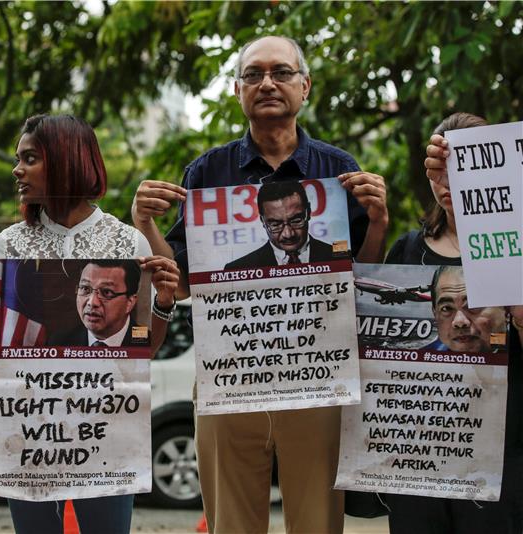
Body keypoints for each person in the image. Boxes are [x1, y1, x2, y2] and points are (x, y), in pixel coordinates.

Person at [131, 36, 389, 534]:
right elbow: (182, 286)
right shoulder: (207, 171)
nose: (267, 82)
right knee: (231, 523)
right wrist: (144, 226)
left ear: (305, 86)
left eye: (281, 72)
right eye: (253, 74)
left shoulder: (340, 171)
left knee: (317, 523)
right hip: (229, 383)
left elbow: (361, 281)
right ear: (237, 90)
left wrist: (377, 223)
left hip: (316, 382)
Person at [0, 114, 180, 534]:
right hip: (29, 432)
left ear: (67, 159)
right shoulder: (7, 245)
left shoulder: (129, 242)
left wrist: (163, 302)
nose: (17, 169)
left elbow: (140, 354)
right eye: (18, 159)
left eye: (30, 158)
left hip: (106, 430)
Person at [383, 111, 523, 533]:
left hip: (501, 456)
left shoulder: (516, 247)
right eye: (438, 174)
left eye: (460, 173)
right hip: (422, 459)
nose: (447, 187)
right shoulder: (408, 250)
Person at [225, 180, 340, 269]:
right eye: (275, 224)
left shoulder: (341, 256)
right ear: (263, 221)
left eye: (296, 221)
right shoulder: (236, 268)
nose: (288, 234)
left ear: (308, 212)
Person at [47, 260, 148, 347]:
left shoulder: (147, 342)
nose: (92, 302)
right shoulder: (59, 342)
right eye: (85, 288)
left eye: (107, 292)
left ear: (130, 303)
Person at [427, 265, 506, 353]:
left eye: (473, 306)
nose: (459, 322)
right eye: (447, 308)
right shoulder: (422, 358)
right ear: (435, 313)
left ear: (504, 309)